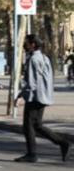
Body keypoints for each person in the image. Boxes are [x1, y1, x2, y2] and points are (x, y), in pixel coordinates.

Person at [14, 34, 69, 163]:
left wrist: (21, 96)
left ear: (33, 44)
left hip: (35, 97)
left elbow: (31, 82)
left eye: (26, 43)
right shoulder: (45, 58)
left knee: (28, 126)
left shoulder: (33, 59)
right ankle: (62, 143)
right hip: (44, 96)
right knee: (37, 125)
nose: (25, 45)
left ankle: (32, 154)